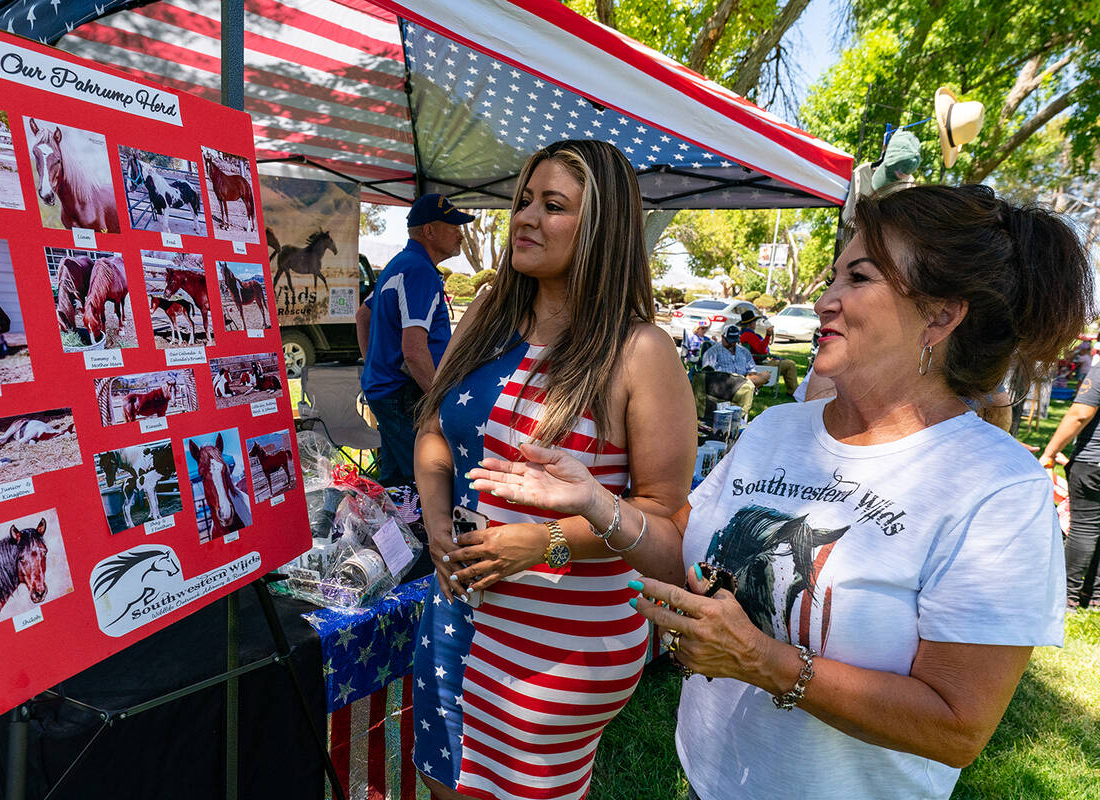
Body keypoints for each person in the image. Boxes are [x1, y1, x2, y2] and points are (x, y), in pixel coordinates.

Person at [466, 184, 1092, 799]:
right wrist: (596, 503)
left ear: (940, 316)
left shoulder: (997, 490)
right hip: (707, 778)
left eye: (859, 278)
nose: (825, 300)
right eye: (833, 277)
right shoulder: (778, 429)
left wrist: (765, 662)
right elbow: (684, 552)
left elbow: (957, 726)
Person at [410, 140, 695, 800]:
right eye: (524, 201)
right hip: (457, 609)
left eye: (554, 205)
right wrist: (434, 524)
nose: (526, 218)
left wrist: (546, 541)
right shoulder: (487, 315)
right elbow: (434, 429)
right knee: (442, 780)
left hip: (561, 644)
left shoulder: (639, 351)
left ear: (603, 227)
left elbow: (666, 529)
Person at [359, 194, 475, 487]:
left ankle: (389, 531)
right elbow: (413, 350)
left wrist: (377, 367)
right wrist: (441, 402)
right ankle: (414, 532)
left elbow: (363, 315)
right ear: (430, 231)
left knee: (396, 482)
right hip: (404, 394)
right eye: (453, 225)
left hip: (388, 390)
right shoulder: (419, 270)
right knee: (426, 482)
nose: (460, 233)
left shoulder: (400, 263)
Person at [1040, 363, 1100, 609]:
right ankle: (1094, 596)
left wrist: (1050, 452)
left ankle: (1067, 597)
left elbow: (1080, 414)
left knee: (1083, 529)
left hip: (1093, 461)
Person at [738, 308, 799, 393]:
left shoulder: (744, 334)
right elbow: (761, 351)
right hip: (758, 363)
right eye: (754, 321)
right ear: (751, 324)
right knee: (790, 364)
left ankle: (792, 390)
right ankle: (793, 391)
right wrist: (768, 335)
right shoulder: (749, 335)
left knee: (786, 364)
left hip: (755, 361)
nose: (755, 323)